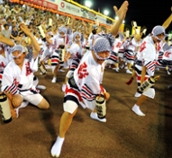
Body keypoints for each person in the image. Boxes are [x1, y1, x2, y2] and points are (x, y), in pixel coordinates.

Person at [50, 1, 128, 157]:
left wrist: (119, 20)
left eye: (107, 54)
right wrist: (101, 94)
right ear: (94, 51)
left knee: (102, 101)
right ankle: (60, 138)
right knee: (71, 110)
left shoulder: (100, 43)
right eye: (101, 56)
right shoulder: (91, 68)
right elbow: (93, 89)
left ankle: (93, 112)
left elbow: (110, 34)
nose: (103, 58)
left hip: (90, 82)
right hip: (77, 85)